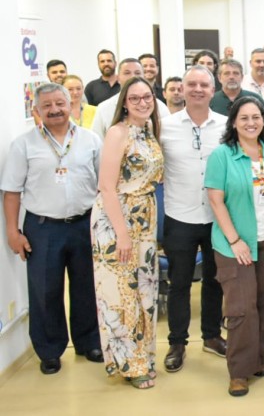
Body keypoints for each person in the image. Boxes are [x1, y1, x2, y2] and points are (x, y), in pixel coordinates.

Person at [2, 83, 104, 375]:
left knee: (87, 286)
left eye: (60, 103)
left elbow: (104, 185)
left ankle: (89, 342)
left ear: (71, 104)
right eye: (47, 106)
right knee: (45, 291)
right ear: (36, 111)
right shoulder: (24, 144)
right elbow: (11, 192)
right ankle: (49, 350)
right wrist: (13, 231)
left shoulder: (90, 139)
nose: (55, 110)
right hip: (42, 228)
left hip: (85, 223)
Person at [205, 96, 264, 397]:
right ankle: (239, 371)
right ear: (233, 122)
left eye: (256, 117)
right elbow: (215, 200)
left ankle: (260, 360)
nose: (251, 123)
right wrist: (235, 239)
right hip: (235, 244)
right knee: (241, 308)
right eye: (244, 118)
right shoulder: (222, 155)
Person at [91, 77, 164, 389]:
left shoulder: (148, 131)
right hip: (116, 220)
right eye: (135, 98)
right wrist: (122, 234)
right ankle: (129, 365)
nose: (142, 102)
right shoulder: (117, 132)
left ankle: (143, 358)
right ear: (124, 102)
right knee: (121, 294)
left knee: (144, 292)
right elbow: (106, 186)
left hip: (144, 220)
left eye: (146, 96)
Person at [159, 66, 228, 373]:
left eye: (204, 84)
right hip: (179, 216)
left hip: (217, 217)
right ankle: (177, 342)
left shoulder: (227, 127)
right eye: (192, 84)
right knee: (179, 283)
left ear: (213, 91)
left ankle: (212, 336)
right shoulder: (164, 126)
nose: (198, 89)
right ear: (181, 89)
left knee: (215, 281)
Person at [90, 58, 172, 139]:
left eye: (137, 73)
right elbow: (97, 143)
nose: (133, 77)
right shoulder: (104, 108)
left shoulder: (160, 107)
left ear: (143, 77)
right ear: (117, 78)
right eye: (127, 73)